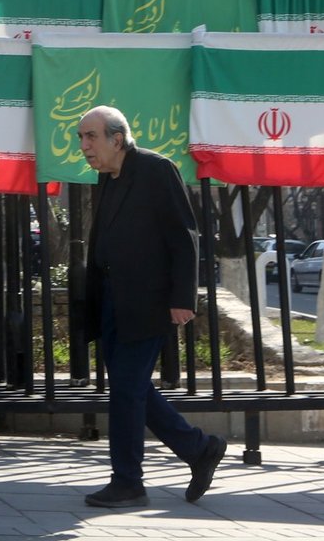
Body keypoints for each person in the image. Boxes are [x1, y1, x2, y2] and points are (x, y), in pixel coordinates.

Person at [78, 105, 227, 509]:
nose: (85, 146)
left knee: (126, 390)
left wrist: (182, 298)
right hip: (112, 299)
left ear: (117, 139)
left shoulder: (156, 169)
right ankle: (199, 449)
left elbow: (184, 235)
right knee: (131, 386)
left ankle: (128, 481)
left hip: (148, 302)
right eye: (81, 138)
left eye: (91, 136)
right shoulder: (107, 178)